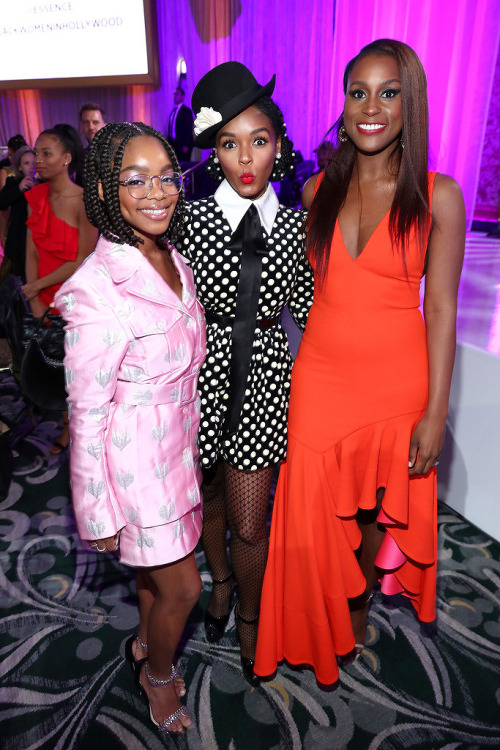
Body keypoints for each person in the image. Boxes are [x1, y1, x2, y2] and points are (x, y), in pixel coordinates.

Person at [255, 39, 465, 685]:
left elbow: (444, 313)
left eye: (388, 92)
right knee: (312, 507)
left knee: (380, 507)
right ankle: (322, 613)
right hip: (318, 375)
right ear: (343, 104)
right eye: (358, 92)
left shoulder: (441, 196)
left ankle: (357, 601)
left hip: (398, 383)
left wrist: (435, 412)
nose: (371, 107)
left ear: (411, 103)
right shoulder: (318, 187)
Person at [54, 122, 206, 734]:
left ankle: (147, 642)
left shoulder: (169, 253)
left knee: (157, 573)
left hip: (178, 446)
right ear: (103, 189)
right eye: (135, 179)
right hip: (136, 466)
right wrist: (97, 513)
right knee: (185, 588)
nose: (158, 192)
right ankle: (159, 676)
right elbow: (85, 412)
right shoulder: (95, 289)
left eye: (167, 177)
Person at [178, 62, 314, 685]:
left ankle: (254, 618)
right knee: (204, 501)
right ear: (214, 152)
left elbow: (312, 313)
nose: (245, 158)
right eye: (229, 144)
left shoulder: (295, 228)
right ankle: (223, 584)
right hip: (197, 381)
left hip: (262, 383)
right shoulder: (188, 222)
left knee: (251, 521)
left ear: (278, 145)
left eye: (258, 140)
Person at [21, 124, 97, 454]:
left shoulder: (84, 201)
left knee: (77, 370)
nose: (37, 159)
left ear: (66, 158)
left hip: (75, 298)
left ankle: (79, 430)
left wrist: (38, 286)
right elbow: (32, 251)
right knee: (54, 367)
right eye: (36, 152)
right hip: (42, 299)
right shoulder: (35, 197)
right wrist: (35, 297)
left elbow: (83, 260)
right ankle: (67, 425)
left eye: (46, 153)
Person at [0, 146, 36, 283]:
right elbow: (2, 202)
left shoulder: (44, 183)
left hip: (38, 240)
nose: (31, 167)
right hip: (18, 240)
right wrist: (20, 188)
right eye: (26, 163)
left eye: (33, 163)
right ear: (20, 167)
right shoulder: (13, 183)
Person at [167, 88, 194, 163]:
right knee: (175, 164)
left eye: (177, 94)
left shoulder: (186, 111)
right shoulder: (173, 111)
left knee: (184, 164)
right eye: (174, 94)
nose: (175, 96)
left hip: (183, 144)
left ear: (182, 96)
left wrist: (186, 145)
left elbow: (189, 129)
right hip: (174, 143)